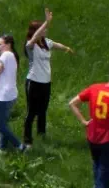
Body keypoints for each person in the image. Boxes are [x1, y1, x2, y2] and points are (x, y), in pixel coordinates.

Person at [23, 10, 74, 146]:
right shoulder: (30, 45)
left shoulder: (47, 42)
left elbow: (57, 45)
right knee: (31, 112)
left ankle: (41, 134)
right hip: (33, 82)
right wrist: (46, 22)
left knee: (43, 110)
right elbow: (35, 37)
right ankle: (27, 140)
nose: (45, 30)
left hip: (46, 83)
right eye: (42, 29)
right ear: (36, 31)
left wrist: (66, 48)